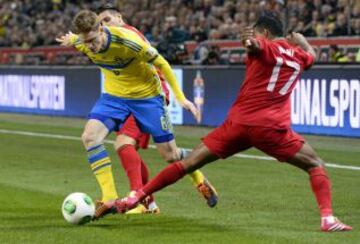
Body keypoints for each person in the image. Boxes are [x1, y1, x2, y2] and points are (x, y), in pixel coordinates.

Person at [102, 14, 352, 232]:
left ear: (264, 33)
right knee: (315, 164)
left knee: (189, 163)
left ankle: (138, 196)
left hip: (239, 125)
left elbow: (255, 47)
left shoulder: (265, 46)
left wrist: (249, 42)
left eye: (256, 33)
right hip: (271, 130)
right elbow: (311, 56)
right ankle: (328, 218)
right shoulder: (298, 56)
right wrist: (301, 40)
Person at [55, 10, 218, 219]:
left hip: (147, 98)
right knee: (90, 137)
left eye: (93, 40)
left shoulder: (129, 41)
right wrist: (73, 40)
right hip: (114, 97)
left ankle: (198, 177)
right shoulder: (82, 41)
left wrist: (181, 97)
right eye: (85, 42)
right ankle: (110, 197)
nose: (90, 46)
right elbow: (77, 40)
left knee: (170, 155)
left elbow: (162, 63)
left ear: (102, 29)